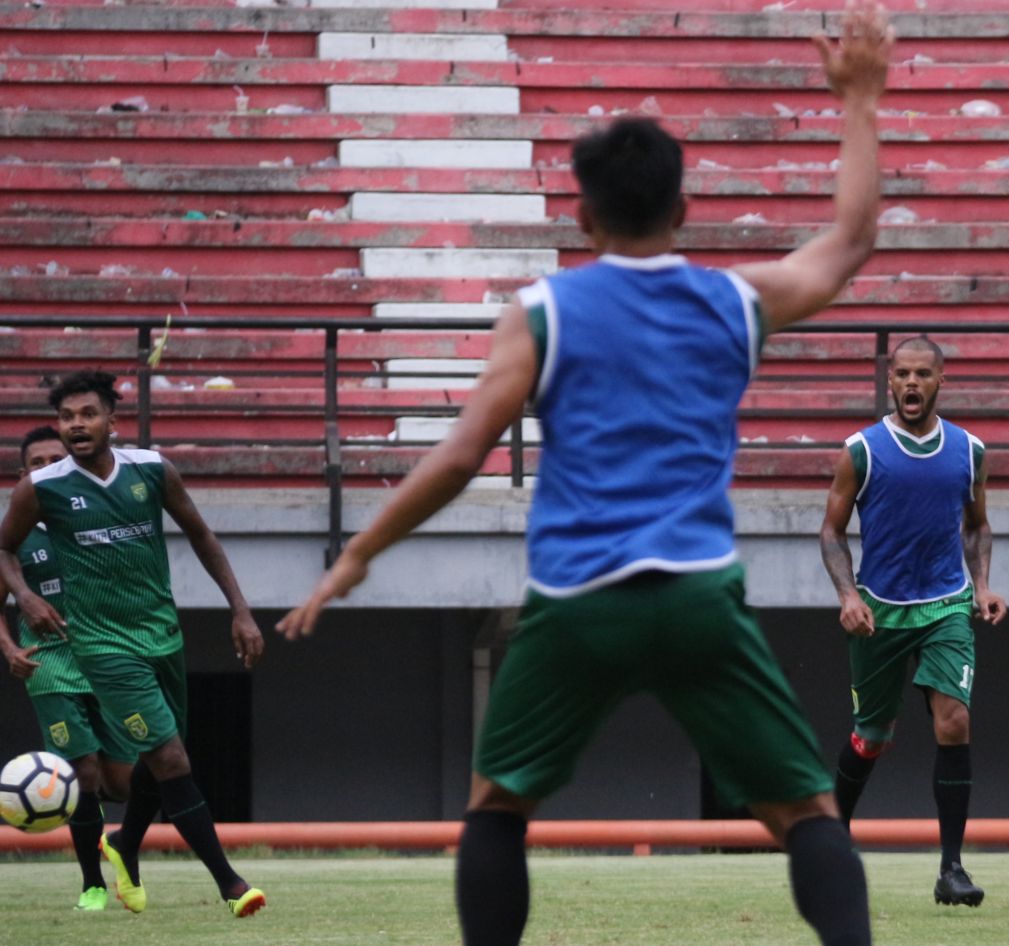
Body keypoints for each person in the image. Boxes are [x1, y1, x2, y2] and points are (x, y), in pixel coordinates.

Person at [277, 3, 893, 943]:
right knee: (805, 813)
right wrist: (859, 99)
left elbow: (458, 455)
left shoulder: (542, 313)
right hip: (696, 596)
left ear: (582, 214)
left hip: (577, 600)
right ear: (684, 211)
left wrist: (360, 554)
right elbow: (849, 245)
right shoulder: (736, 300)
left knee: (496, 808)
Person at [0, 370, 267, 919]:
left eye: (87, 414)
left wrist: (240, 610)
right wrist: (24, 596)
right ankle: (231, 882)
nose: (76, 425)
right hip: (99, 646)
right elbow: (3, 550)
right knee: (170, 759)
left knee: (159, 759)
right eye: (68, 417)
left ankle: (122, 844)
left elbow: (201, 534)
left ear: (111, 421)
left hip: (161, 636)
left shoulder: (151, 470)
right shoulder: (42, 487)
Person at [819, 335, 1007, 908]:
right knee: (871, 738)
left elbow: (976, 525)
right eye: (901, 373)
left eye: (923, 374)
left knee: (953, 721)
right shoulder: (862, 450)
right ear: (889, 380)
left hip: (947, 605)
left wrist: (981, 586)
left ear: (940, 381)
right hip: (880, 611)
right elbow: (831, 532)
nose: (910, 384)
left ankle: (951, 869)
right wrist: (849, 597)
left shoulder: (969, 449)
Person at [0, 426, 138, 911]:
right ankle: (92, 886)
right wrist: (10, 648)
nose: (45, 468)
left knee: (127, 781)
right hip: (50, 665)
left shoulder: (98, 516)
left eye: (53, 459)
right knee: (83, 772)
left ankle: (121, 845)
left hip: (107, 657)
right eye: (36, 463)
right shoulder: (13, 534)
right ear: (24, 475)